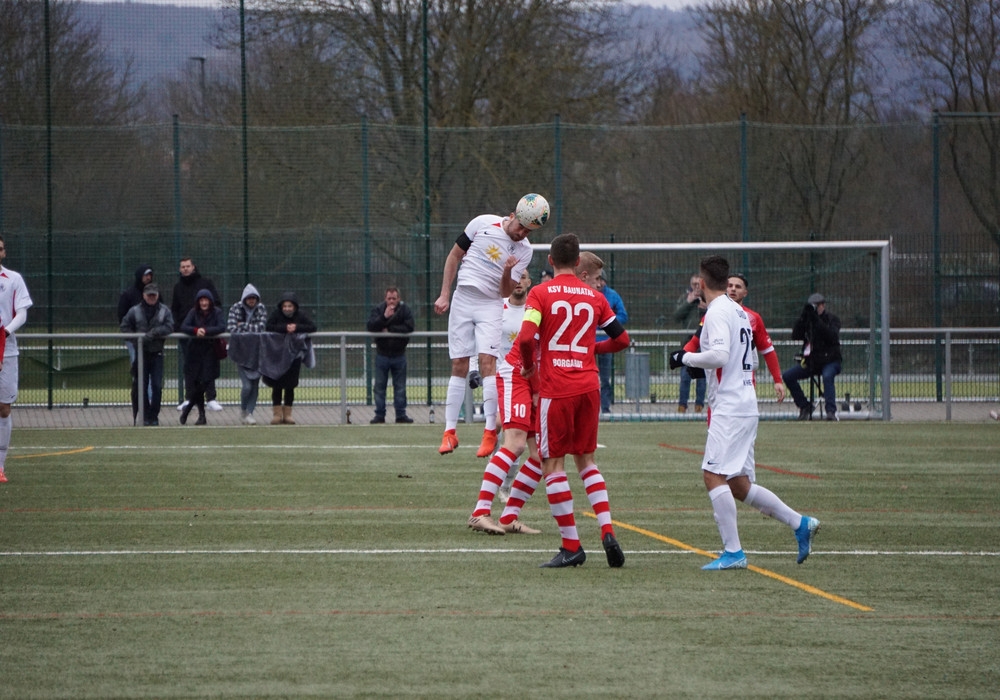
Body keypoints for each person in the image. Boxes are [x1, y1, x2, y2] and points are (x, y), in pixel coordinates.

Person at [669, 255, 820, 570]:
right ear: (725, 282)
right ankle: (799, 523)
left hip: (731, 407)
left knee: (712, 475)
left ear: (702, 281)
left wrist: (685, 358)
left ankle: (734, 553)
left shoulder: (717, 312)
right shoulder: (739, 312)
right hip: (743, 403)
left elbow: (721, 355)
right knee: (737, 484)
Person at [517, 234, 631, 568]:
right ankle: (607, 530)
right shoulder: (595, 297)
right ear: (578, 261)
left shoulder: (540, 293)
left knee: (552, 464)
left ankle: (572, 546)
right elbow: (622, 339)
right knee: (587, 461)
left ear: (550, 261)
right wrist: (592, 349)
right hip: (589, 387)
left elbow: (526, 337)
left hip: (558, 388)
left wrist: (528, 370)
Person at [433, 193, 547, 458]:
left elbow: (506, 291)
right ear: (512, 216)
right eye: (521, 226)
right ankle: (449, 433)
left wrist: (507, 270)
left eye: (529, 231)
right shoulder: (482, 223)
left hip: (490, 304)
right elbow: (454, 256)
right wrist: (444, 294)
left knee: (488, 362)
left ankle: (488, 432)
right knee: (459, 363)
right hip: (463, 298)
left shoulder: (524, 251)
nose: (522, 233)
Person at [467, 269, 543, 535]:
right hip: (513, 375)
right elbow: (485, 339)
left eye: (524, 277)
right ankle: (480, 512)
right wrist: (478, 369)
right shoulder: (500, 308)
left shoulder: (543, 302)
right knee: (514, 443)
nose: (520, 282)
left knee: (540, 455)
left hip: (532, 379)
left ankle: (509, 516)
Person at [685, 274, 785, 405]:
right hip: (720, 385)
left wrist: (777, 380)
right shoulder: (714, 314)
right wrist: (682, 358)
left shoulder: (753, 318)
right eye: (729, 286)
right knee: (718, 422)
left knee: (743, 422)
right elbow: (694, 342)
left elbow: (768, 351)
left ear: (745, 293)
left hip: (745, 385)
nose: (733, 289)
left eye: (738, 287)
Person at [171, 257, 223, 412]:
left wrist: (207, 329)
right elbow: (174, 309)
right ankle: (189, 399)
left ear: (193, 267)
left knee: (209, 365)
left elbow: (217, 305)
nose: (185, 269)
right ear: (180, 269)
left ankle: (211, 398)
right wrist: (180, 328)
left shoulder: (206, 283)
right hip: (187, 336)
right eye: (183, 266)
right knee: (190, 368)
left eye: (188, 266)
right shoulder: (177, 287)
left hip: (207, 337)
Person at [782, 292, 842, 421]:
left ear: (823, 305)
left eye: (818, 305)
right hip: (812, 361)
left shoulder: (832, 319)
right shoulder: (808, 321)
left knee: (827, 376)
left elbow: (832, 337)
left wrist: (817, 321)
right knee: (788, 376)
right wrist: (803, 318)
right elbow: (796, 335)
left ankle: (831, 411)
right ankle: (804, 406)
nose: (816, 308)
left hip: (830, 360)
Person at [120, 283, 174, 426]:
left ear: (157, 295)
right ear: (144, 295)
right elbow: (124, 327)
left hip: (157, 353)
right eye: (149, 295)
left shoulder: (164, 311)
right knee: (140, 385)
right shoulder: (134, 311)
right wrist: (136, 339)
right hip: (141, 354)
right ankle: (144, 415)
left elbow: (170, 326)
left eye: (154, 295)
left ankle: (154, 415)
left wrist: (155, 333)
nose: (151, 297)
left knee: (156, 385)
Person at [0, 236, 30, 483]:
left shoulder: (14, 279)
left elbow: (22, 313)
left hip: (6, 350)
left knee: (3, 408)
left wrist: (5, 331)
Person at [263, 291, 317, 425]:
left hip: (294, 356)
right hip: (278, 355)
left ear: (294, 307)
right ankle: (276, 414)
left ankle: (288, 414)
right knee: (277, 384)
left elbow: (312, 327)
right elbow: (269, 326)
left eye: (290, 306)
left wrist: (297, 327)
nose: (287, 308)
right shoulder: (276, 315)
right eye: (285, 306)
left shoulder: (301, 315)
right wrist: (285, 328)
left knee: (290, 385)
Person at [367, 285, 415, 424]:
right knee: (379, 387)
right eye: (389, 298)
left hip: (399, 355)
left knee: (400, 387)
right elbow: (371, 326)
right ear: (385, 298)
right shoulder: (379, 310)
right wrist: (384, 317)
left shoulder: (405, 310)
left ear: (398, 298)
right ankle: (379, 415)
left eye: (394, 298)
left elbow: (409, 326)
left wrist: (390, 329)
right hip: (382, 354)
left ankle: (401, 414)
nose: (392, 301)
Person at [179, 289, 226, 425]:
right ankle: (201, 415)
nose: (204, 303)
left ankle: (187, 409)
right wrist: (195, 330)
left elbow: (222, 326)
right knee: (196, 383)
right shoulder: (193, 312)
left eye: (206, 300)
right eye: (201, 300)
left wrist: (206, 331)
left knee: (205, 382)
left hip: (210, 351)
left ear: (210, 301)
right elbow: (184, 326)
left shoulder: (217, 312)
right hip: (194, 352)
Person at [226, 284, 268, 425]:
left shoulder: (261, 308)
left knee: (255, 385)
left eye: (254, 298)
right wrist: (246, 329)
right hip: (241, 352)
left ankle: (250, 413)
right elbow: (232, 328)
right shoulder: (235, 308)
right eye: (249, 298)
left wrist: (242, 325)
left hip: (257, 352)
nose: (251, 300)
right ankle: (243, 410)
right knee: (247, 386)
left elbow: (261, 327)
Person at [595, 271, 628, 414]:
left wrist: (607, 323)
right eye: (597, 279)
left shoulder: (613, 296)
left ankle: (605, 408)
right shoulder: (587, 293)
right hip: (588, 343)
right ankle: (592, 409)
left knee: (605, 379)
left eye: (602, 280)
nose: (599, 283)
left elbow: (623, 315)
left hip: (605, 342)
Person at [674, 273, 706, 413]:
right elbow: (677, 316)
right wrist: (688, 302)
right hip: (688, 343)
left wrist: (704, 307)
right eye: (694, 285)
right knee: (685, 376)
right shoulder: (685, 298)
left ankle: (699, 405)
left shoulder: (708, 300)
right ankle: (682, 405)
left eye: (699, 285)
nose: (696, 288)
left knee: (701, 378)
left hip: (703, 344)